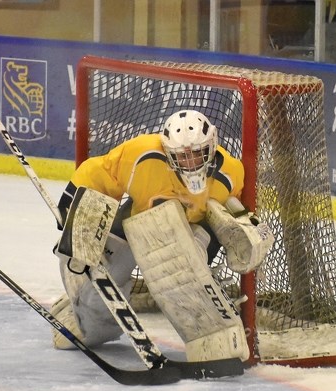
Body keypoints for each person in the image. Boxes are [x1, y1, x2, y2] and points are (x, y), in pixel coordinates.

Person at [50, 109, 273, 363]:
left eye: (197, 153)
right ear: (168, 152)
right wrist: (76, 213)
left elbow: (238, 210)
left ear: (211, 145)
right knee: (104, 272)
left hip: (193, 235)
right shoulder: (141, 154)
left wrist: (247, 227)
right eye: (182, 156)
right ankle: (87, 320)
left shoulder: (230, 172)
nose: (191, 162)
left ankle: (212, 337)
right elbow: (98, 173)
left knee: (183, 271)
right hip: (138, 222)